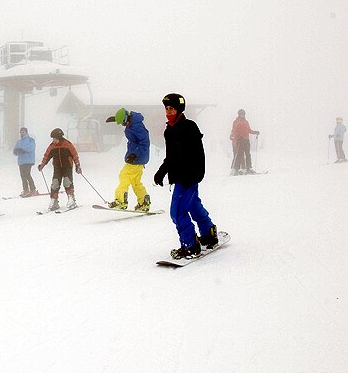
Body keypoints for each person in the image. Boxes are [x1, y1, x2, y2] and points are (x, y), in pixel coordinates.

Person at [154, 93, 220, 260]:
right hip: (179, 177)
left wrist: (196, 175)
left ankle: (190, 245)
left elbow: (199, 154)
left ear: (179, 109)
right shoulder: (169, 130)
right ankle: (209, 233)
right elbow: (171, 157)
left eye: (172, 108)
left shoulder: (189, 127)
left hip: (188, 177)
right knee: (193, 205)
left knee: (177, 212)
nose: (169, 111)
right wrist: (161, 172)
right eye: (166, 108)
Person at [105, 108, 150, 210]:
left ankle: (120, 201)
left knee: (124, 176)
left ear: (128, 118)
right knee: (135, 181)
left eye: (124, 122)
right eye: (122, 123)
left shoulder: (136, 126)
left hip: (136, 158)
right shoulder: (133, 122)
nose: (124, 125)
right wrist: (116, 119)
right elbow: (124, 118)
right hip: (139, 158)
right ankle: (144, 202)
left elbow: (145, 143)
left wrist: (134, 154)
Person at [37, 128, 81, 211]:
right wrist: (42, 165)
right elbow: (46, 156)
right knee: (55, 183)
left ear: (60, 138)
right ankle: (54, 201)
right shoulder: (52, 146)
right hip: (57, 168)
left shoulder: (67, 145)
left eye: (55, 139)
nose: (54, 140)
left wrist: (77, 165)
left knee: (67, 182)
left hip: (67, 167)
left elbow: (75, 155)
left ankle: (71, 199)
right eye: (53, 139)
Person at [229, 109, 261, 175]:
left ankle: (249, 168)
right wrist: (234, 139)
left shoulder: (246, 122)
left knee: (248, 154)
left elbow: (249, 130)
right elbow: (234, 131)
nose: (243, 115)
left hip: (246, 140)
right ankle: (236, 169)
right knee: (239, 155)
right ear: (239, 114)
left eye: (244, 114)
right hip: (240, 140)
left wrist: (255, 132)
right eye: (242, 114)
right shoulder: (236, 122)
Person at [13, 127, 39, 197]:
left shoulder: (30, 140)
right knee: (22, 175)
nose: (22, 133)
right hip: (21, 161)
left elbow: (31, 148)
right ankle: (26, 190)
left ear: (26, 132)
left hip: (28, 160)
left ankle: (33, 189)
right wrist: (16, 151)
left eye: (23, 132)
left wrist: (22, 149)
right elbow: (15, 151)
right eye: (21, 132)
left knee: (27, 174)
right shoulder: (19, 142)